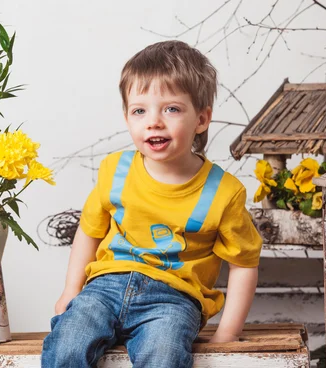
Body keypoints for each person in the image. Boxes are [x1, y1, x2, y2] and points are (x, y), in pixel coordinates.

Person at [41, 40, 262, 368]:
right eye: (139, 110)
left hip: (173, 299)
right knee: (68, 340)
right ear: (127, 116)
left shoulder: (223, 192)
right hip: (104, 287)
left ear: (201, 119)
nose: (153, 122)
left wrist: (227, 333)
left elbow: (244, 263)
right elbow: (88, 232)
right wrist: (70, 291)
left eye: (171, 109)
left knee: (165, 355)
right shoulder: (115, 171)